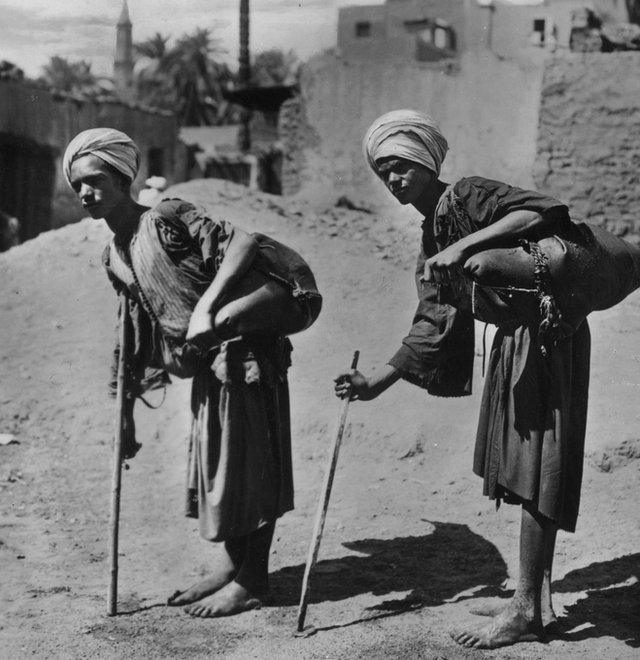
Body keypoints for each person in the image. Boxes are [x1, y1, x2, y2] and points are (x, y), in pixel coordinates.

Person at [334, 109, 640, 649]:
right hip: (513, 343)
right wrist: (374, 383)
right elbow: (433, 320)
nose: (392, 179)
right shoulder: (433, 234)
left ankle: (526, 609)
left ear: (427, 161)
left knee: (539, 466)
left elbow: (539, 213)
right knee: (522, 468)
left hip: (548, 334)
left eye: (400, 166)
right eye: (383, 171)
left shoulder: (468, 195)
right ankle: (531, 596)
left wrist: (466, 247)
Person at [63, 128, 322, 618]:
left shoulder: (165, 217)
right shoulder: (115, 255)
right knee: (220, 469)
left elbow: (243, 242)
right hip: (206, 365)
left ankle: (253, 579)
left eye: (94, 180)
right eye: (77, 186)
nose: (85, 193)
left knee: (251, 466)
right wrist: (126, 413)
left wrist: (207, 308)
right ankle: (231, 563)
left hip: (245, 351)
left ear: (122, 177)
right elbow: (135, 333)